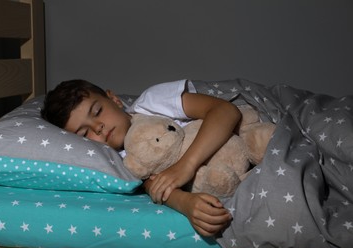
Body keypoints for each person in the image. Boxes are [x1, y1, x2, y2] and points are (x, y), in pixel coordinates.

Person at [41, 79, 241, 237]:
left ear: (114, 99)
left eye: (97, 111)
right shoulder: (116, 162)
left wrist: (186, 166)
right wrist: (187, 204)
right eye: (85, 134)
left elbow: (225, 110)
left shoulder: (151, 103)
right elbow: (153, 186)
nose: (98, 127)